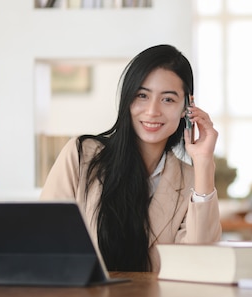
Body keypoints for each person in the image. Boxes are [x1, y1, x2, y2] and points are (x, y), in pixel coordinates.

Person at [40, 44, 222, 272]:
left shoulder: (192, 182)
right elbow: (45, 242)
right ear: (127, 99)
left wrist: (204, 162)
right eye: (142, 96)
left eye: (168, 99)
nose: (152, 111)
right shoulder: (81, 156)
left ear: (187, 108)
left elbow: (199, 265)